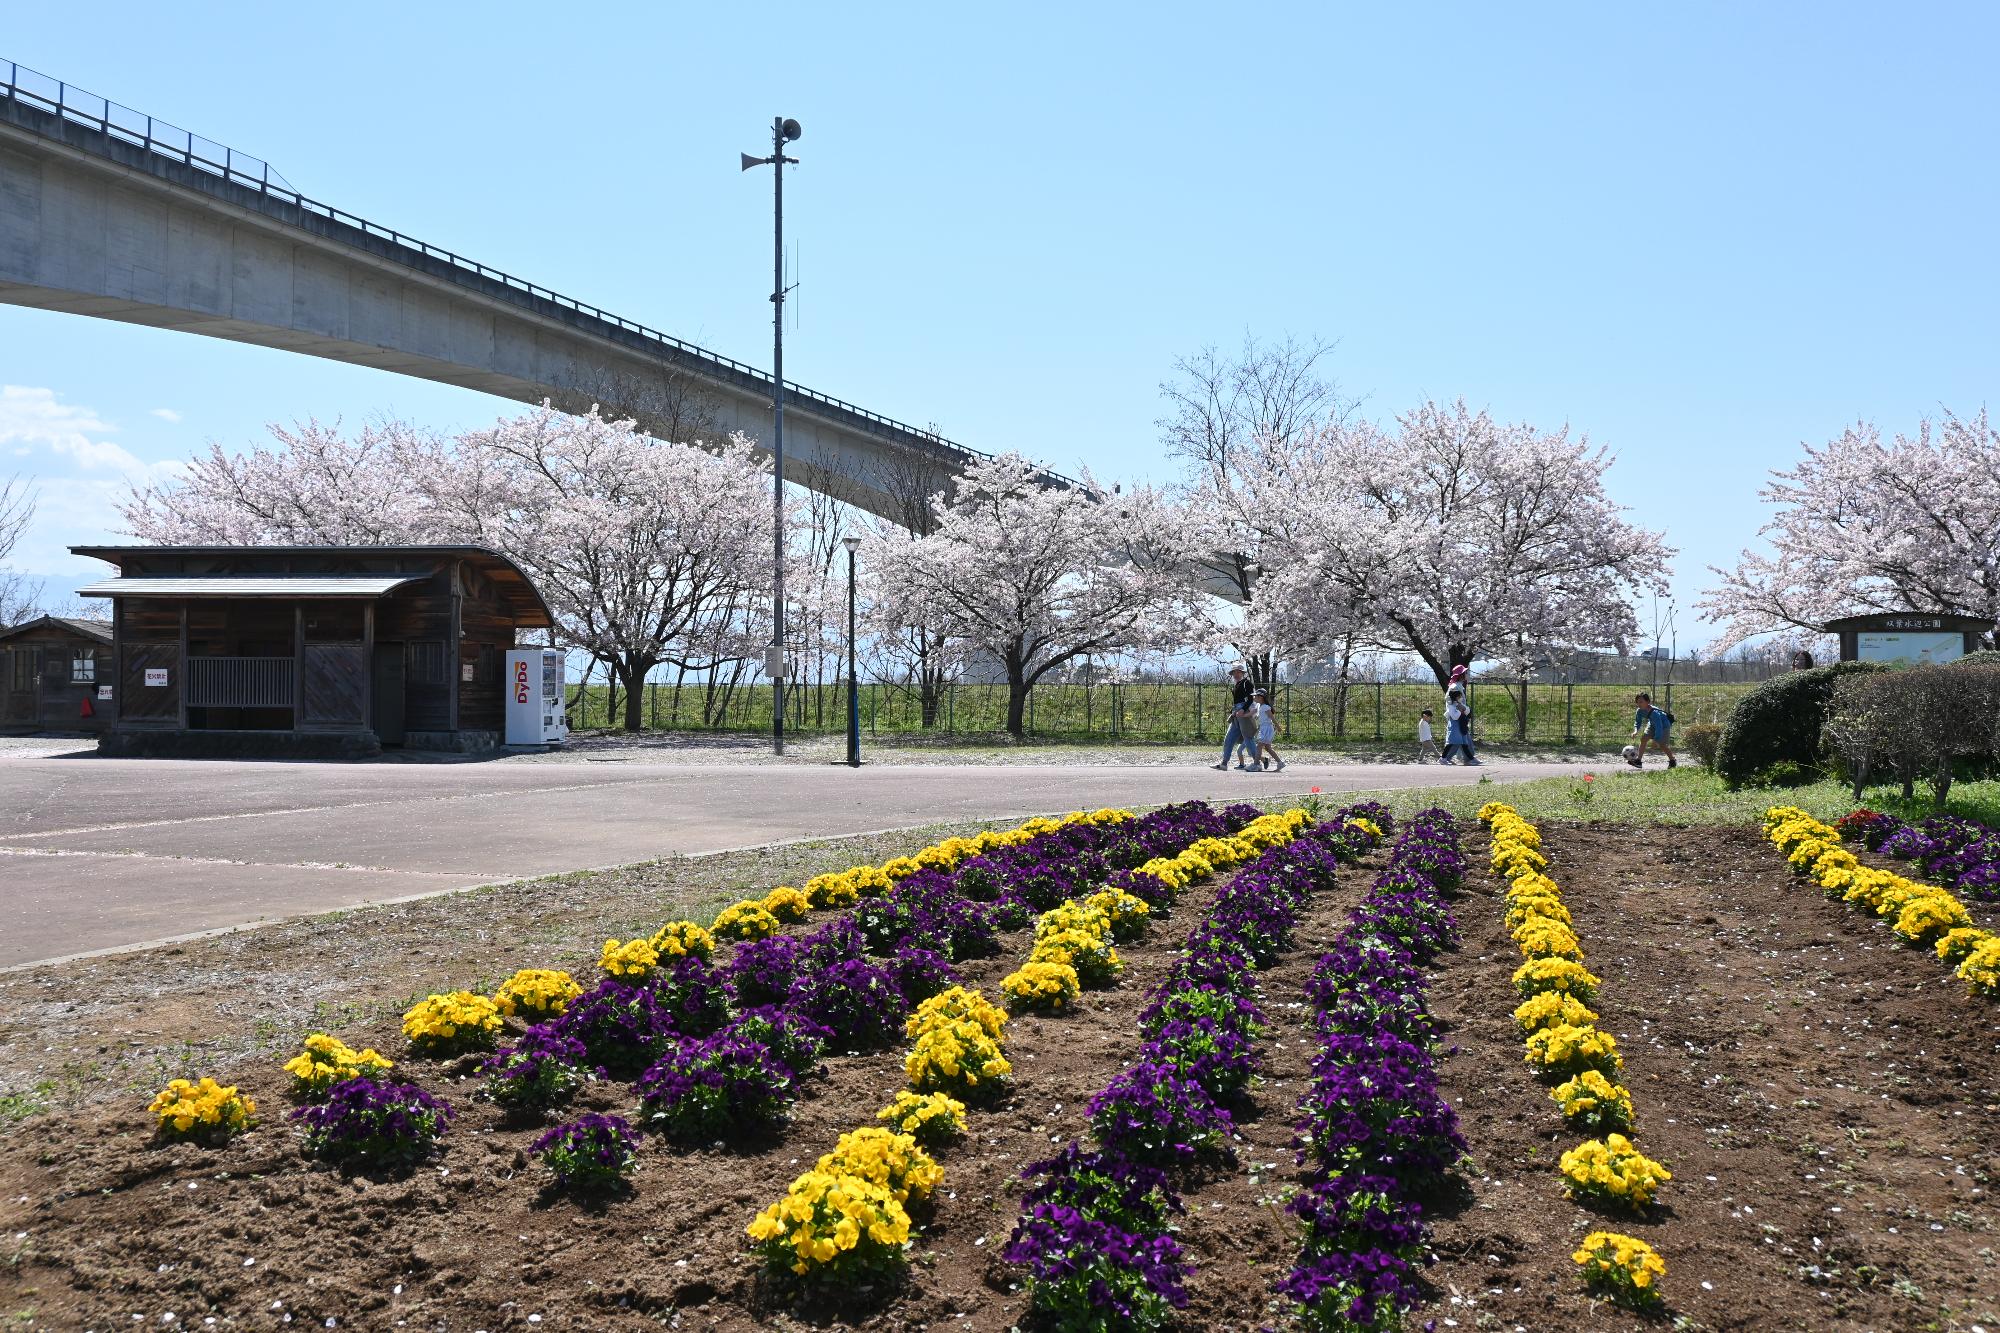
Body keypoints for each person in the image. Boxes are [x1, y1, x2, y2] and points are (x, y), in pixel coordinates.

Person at [1210, 665, 1256, 770]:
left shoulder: (1246, 683)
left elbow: (1250, 699)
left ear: (1242, 673)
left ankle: (1257, 762)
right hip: (1236, 713)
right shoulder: (1236, 685)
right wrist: (1233, 711)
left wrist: (1243, 709)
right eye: (1234, 672)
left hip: (1242, 712)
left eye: (1238, 672)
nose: (1235, 674)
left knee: (1248, 738)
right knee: (1228, 739)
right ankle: (1224, 763)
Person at [1630, 692, 1677, 769]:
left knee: (1662, 745)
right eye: (1637, 702)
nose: (1639, 704)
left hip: (1664, 725)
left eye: (1641, 702)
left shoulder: (1654, 713)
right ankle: (1638, 761)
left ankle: (1672, 760)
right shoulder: (1639, 711)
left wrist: (1656, 740)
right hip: (1652, 723)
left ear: (1648, 702)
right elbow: (1637, 722)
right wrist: (1635, 731)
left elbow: (1659, 727)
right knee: (1643, 739)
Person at [1442, 684, 1480, 765]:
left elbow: (1467, 711)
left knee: (1464, 743)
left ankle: (1471, 758)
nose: (1461, 698)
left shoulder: (1459, 704)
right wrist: (1460, 710)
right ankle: (1443, 758)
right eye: (1459, 696)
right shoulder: (1451, 706)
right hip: (1454, 727)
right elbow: (1454, 717)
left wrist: (1463, 708)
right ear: (1455, 697)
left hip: (1461, 726)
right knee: (1451, 743)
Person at [1253, 688, 1284, 772]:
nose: (1254, 697)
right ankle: (1280, 763)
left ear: (1261, 697)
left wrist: (1278, 726)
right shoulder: (1260, 706)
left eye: (1256, 696)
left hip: (1267, 729)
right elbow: (1260, 718)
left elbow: (1272, 718)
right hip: (1263, 728)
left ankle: (1256, 765)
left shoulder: (1265, 707)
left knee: (1259, 746)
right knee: (1267, 748)